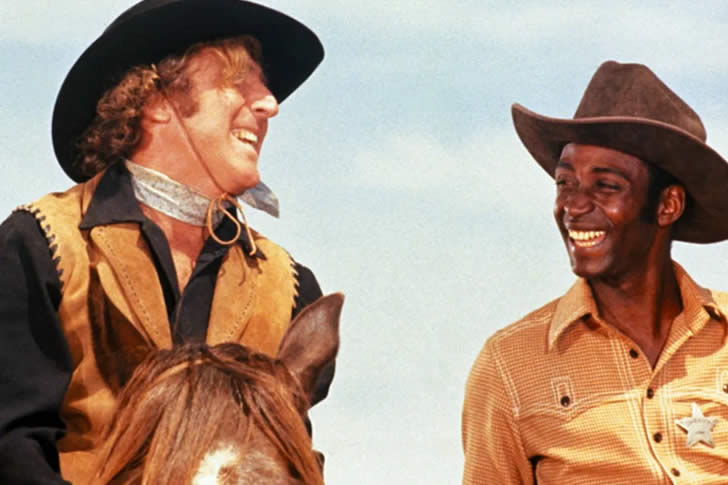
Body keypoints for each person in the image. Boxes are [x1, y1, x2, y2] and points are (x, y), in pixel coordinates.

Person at [0, 1, 333, 483]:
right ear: (155, 101)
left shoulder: (291, 289)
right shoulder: (38, 248)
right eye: (238, 81)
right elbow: (11, 449)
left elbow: (292, 461)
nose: (269, 103)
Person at [461, 60, 728, 484]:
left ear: (668, 205)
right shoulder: (508, 364)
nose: (574, 205)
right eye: (565, 184)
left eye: (606, 186)